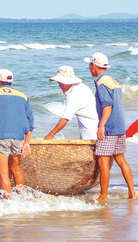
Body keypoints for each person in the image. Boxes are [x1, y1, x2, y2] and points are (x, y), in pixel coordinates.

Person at [86, 53, 135, 200]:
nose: (89, 67)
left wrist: (101, 126)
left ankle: (103, 195)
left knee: (103, 160)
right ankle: (132, 193)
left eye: (89, 64)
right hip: (119, 126)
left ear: (93, 65)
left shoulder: (101, 82)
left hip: (109, 127)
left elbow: (107, 105)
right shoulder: (113, 81)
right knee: (121, 159)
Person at [0, 69, 34, 196]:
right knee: (16, 169)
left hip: (0, 136)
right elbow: (30, 120)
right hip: (18, 137)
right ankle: (21, 197)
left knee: (3, 174)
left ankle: (8, 203)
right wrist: (27, 142)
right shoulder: (23, 96)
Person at [43, 66, 98, 140]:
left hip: (91, 132)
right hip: (94, 127)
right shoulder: (81, 87)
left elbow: (65, 119)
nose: (59, 85)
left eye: (60, 82)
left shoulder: (75, 94)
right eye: (58, 82)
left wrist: (50, 135)